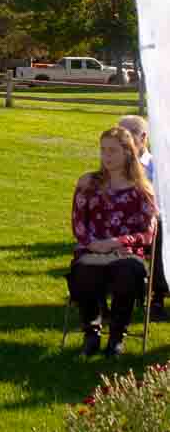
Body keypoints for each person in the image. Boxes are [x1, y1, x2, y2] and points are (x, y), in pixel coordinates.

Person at [69, 126, 157, 357]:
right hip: (92, 249)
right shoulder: (88, 183)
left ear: (128, 152)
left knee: (128, 273)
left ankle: (117, 337)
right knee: (85, 270)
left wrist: (117, 242)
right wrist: (93, 244)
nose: (106, 156)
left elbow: (148, 233)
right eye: (103, 150)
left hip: (126, 252)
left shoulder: (142, 190)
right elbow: (78, 224)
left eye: (113, 151)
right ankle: (91, 334)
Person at [119, 114, 168, 320]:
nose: (122, 140)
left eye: (127, 135)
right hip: (119, 224)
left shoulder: (158, 167)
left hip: (149, 222)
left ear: (143, 137)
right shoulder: (114, 163)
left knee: (160, 230)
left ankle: (157, 296)